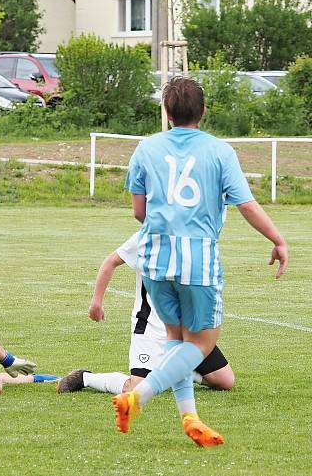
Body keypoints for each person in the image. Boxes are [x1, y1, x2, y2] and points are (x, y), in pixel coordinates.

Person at [113, 77, 287, 447]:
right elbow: (246, 205)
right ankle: (137, 396)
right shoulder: (220, 151)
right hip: (197, 260)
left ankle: (190, 418)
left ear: (166, 111)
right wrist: (277, 239)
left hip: (154, 260)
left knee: (176, 340)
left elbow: (139, 211)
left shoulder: (146, 149)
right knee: (203, 343)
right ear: (203, 111)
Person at [57, 231, 234, 395]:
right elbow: (111, 261)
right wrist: (96, 302)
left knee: (225, 381)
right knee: (137, 389)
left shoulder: (196, 239)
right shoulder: (147, 238)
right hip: (151, 326)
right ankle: (84, 378)